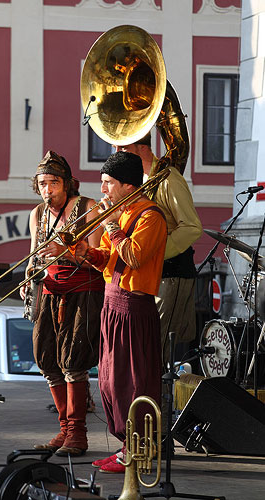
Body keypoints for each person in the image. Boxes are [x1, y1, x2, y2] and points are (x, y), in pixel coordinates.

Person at [75, 151, 167, 473]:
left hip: (133, 306)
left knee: (133, 382)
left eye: (107, 183)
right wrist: (85, 251)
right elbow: (112, 260)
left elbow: (136, 257)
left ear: (128, 185)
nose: (102, 191)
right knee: (111, 381)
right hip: (112, 301)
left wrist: (112, 227)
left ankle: (139, 449)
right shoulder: (123, 212)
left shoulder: (150, 216)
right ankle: (127, 446)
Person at [115, 132, 203, 435]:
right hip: (146, 278)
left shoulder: (168, 179)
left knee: (156, 355)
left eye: (122, 146)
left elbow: (191, 227)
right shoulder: (132, 182)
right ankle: (144, 429)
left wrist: (153, 252)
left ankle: (156, 433)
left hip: (170, 275)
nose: (115, 151)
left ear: (142, 148)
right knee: (144, 355)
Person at [20, 150, 104, 457]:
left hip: (83, 292)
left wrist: (64, 252)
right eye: (42, 184)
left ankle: (78, 435)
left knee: (73, 361)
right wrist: (29, 273)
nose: (47, 190)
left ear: (67, 183)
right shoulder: (37, 214)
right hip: (49, 291)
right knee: (47, 361)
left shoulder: (89, 208)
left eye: (53, 183)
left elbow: (98, 260)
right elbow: (34, 256)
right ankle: (65, 429)